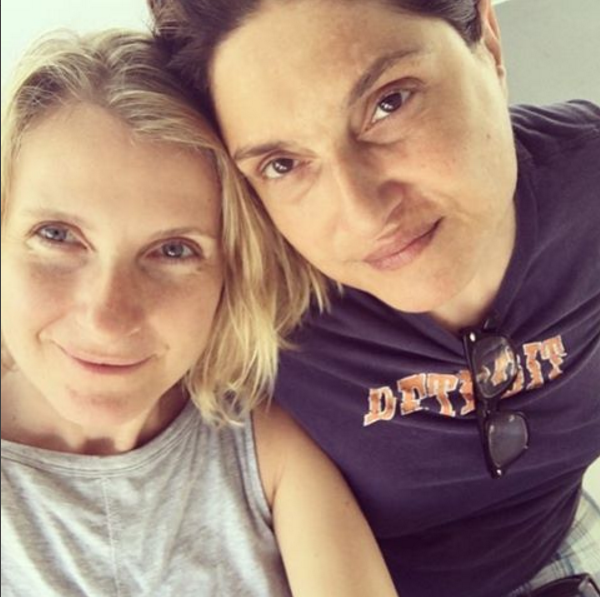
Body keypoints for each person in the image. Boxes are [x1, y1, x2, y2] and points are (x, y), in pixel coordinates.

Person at [149, 1, 600, 596]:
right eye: (283, 164)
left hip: (559, 546)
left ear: (488, 41)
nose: (364, 215)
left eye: (390, 102)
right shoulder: (243, 297)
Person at [0, 29, 399, 597]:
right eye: (56, 235)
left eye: (173, 250)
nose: (107, 318)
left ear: (231, 276)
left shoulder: (261, 448)